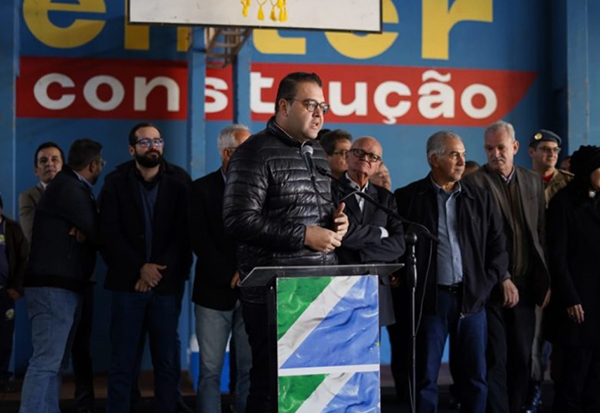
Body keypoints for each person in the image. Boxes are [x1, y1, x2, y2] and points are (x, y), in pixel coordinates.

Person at [222, 72, 349, 413]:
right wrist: (304, 235)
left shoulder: (317, 153)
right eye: (310, 105)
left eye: (323, 107)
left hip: (318, 288)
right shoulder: (253, 153)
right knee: (271, 388)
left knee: (311, 388)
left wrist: (338, 222)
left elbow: (321, 213)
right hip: (274, 296)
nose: (319, 114)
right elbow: (238, 220)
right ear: (283, 106)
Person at [396, 131, 508, 413]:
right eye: (454, 154)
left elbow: (499, 247)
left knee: (475, 378)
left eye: (463, 154)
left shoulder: (480, 198)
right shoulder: (408, 197)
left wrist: (484, 285)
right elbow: (398, 247)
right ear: (434, 159)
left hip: (472, 300)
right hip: (431, 301)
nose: (462, 161)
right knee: (424, 378)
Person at [99, 123, 192, 413]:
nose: (153, 147)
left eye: (157, 141)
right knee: (123, 361)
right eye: (145, 142)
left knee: (167, 360)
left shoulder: (180, 180)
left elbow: (185, 234)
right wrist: (139, 268)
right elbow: (108, 234)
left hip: (166, 285)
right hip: (128, 285)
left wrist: (154, 273)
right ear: (132, 149)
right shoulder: (115, 182)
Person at [463, 120, 550, 413]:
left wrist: (546, 280)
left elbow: (541, 235)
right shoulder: (474, 183)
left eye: (501, 148)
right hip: (492, 287)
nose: (495, 154)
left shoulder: (533, 181)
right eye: (489, 148)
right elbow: (477, 242)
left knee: (523, 358)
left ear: (514, 147)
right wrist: (503, 277)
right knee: (495, 359)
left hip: (527, 286)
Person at [19, 139, 104, 413]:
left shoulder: (70, 187)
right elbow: (98, 231)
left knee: (54, 364)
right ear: (94, 165)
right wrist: (89, 231)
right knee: (46, 363)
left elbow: (90, 229)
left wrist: (86, 231)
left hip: (64, 286)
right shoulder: (70, 188)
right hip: (52, 288)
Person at [189, 124, 252, 413]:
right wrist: (230, 273)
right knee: (210, 370)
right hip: (213, 294)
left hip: (251, 291)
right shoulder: (200, 189)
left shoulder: (260, 187)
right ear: (228, 153)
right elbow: (199, 240)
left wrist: (246, 270)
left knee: (249, 370)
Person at [544, 145, 600, 413]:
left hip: (597, 306)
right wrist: (570, 298)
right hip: (575, 306)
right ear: (588, 171)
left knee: (595, 382)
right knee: (572, 378)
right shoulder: (563, 203)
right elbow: (557, 257)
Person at [524, 129, 573, 413]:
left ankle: (563, 391)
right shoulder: (522, 182)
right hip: (535, 272)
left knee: (566, 338)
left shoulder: (569, 183)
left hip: (565, 271)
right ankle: (534, 390)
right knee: (535, 338)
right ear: (531, 152)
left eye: (555, 150)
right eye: (544, 149)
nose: (551, 154)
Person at [333, 137, 405, 326]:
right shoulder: (329, 191)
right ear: (347, 156)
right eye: (359, 152)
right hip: (338, 287)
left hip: (375, 288)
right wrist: (380, 233)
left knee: (373, 344)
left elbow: (399, 244)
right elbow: (338, 234)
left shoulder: (385, 198)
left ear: (378, 165)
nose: (365, 158)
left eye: (373, 156)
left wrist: (361, 254)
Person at [0, 193, 28, 393]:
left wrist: (17, 288)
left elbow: (23, 260)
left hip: (5, 293)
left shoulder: (12, 228)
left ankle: (2, 377)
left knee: (4, 337)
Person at [18, 142, 64, 242]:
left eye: (54, 160)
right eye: (43, 161)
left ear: (63, 168)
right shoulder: (28, 196)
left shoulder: (75, 193)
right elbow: (33, 234)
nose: (49, 164)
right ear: (36, 171)